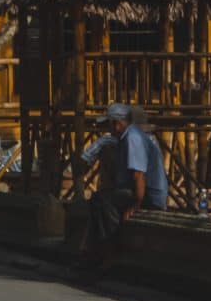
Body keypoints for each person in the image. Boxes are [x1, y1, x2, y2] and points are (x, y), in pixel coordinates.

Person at [72, 103, 168, 271]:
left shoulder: (133, 138)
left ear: (117, 123)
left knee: (103, 201)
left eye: (109, 124)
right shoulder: (124, 138)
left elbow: (139, 175)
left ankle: (110, 250)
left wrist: (136, 205)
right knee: (98, 200)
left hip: (149, 195)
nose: (108, 128)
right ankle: (94, 252)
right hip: (136, 190)